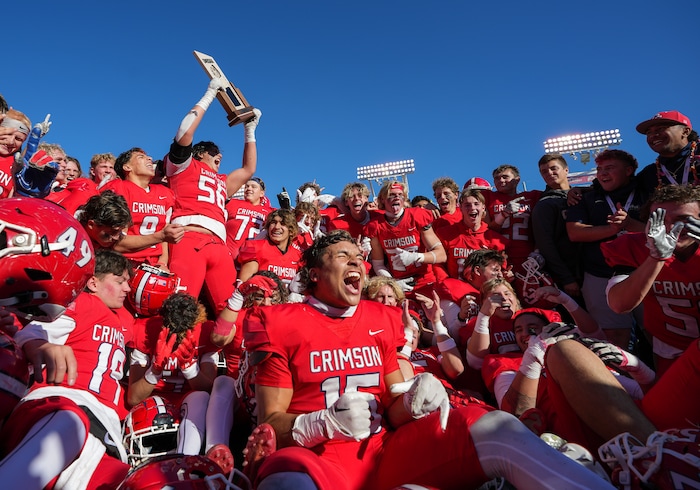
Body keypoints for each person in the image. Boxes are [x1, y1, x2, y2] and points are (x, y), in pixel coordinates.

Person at [243, 229, 614, 490]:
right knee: (284, 478)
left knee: (496, 425)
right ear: (314, 274)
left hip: (386, 451)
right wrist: (319, 424)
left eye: (360, 257)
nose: (358, 262)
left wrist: (411, 399)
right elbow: (269, 425)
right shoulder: (276, 320)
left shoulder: (381, 317)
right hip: (317, 458)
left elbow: (391, 409)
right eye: (343, 256)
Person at [0, 249, 133, 489]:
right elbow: (33, 334)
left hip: (105, 430)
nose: (127, 289)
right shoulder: (82, 302)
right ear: (93, 282)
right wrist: (38, 345)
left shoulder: (119, 321)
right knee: (69, 422)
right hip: (59, 406)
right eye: (119, 280)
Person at [165, 77, 262, 315]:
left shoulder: (223, 181)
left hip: (219, 247)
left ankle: (215, 354)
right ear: (199, 154)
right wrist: (209, 95)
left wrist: (249, 131)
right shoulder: (183, 166)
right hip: (188, 238)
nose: (219, 155)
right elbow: (183, 134)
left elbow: (249, 170)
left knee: (230, 312)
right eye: (213, 152)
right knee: (181, 310)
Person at [604, 184, 700, 376]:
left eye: (684, 219)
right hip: (670, 350)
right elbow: (619, 304)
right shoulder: (634, 246)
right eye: (661, 220)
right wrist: (656, 257)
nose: (671, 228)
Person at [126, 292, 225, 470]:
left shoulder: (206, 331)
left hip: (188, 399)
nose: (178, 333)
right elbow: (133, 398)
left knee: (200, 398)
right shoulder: (146, 329)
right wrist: (154, 370)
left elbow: (209, 390)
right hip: (153, 402)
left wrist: (189, 368)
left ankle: (186, 464)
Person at [566, 149, 649, 349]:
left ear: (629, 170)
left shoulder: (648, 193)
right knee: (613, 340)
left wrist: (631, 225)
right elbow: (575, 232)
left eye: (610, 168)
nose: (602, 173)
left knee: (659, 335)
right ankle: (620, 381)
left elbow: (666, 230)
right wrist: (612, 229)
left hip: (647, 272)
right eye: (600, 169)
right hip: (600, 274)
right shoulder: (585, 197)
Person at [104, 147, 184, 269]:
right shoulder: (118, 188)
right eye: (141, 157)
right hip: (122, 262)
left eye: (148, 157)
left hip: (154, 264)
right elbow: (117, 243)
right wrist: (160, 236)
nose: (150, 159)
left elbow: (165, 232)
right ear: (127, 167)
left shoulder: (165, 193)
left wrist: (162, 262)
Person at [366, 180, 446, 297]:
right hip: (398, 283)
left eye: (400, 195)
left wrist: (416, 257)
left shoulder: (417, 216)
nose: (397, 198)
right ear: (382, 199)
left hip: (424, 280)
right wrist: (392, 282)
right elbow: (378, 264)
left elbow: (441, 255)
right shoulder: (376, 225)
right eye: (392, 195)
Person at [531, 154, 582, 298]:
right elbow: (545, 244)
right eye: (544, 171)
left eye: (554, 168)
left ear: (566, 170)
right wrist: (566, 278)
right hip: (569, 276)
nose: (549, 173)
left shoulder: (584, 195)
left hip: (594, 270)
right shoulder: (545, 204)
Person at [484, 164, 542, 272]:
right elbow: (484, 230)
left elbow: (543, 227)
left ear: (517, 180)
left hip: (527, 254)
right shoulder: (488, 197)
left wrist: (538, 250)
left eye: (505, 177)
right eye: (497, 178)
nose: (500, 180)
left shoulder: (532, 196)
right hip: (498, 255)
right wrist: (503, 215)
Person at [635, 110, 699, 189]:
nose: (653, 136)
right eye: (649, 132)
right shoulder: (649, 174)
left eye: (661, 129)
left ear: (685, 131)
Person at [238, 209, 303, 286]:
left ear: (291, 231)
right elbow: (243, 287)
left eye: (283, 223)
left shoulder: (298, 255)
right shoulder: (256, 247)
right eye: (273, 223)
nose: (277, 227)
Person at [225, 176, 273, 262]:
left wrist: (286, 209)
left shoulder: (269, 212)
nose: (249, 188)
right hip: (227, 256)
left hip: (252, 260)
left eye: (253, 187)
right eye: (247, 186)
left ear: (262, 193)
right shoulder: (232, 203)